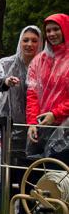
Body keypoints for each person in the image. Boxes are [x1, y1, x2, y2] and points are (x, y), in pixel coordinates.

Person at [26, 14, 69, 161]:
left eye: (56, 29)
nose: (51, 34)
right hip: (42, 127)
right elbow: (32, 94)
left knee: (61, 176)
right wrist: (31, 123)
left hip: (65, 129)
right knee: (37, 176)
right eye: (48, 30)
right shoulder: (38, 60)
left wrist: (55, 114)